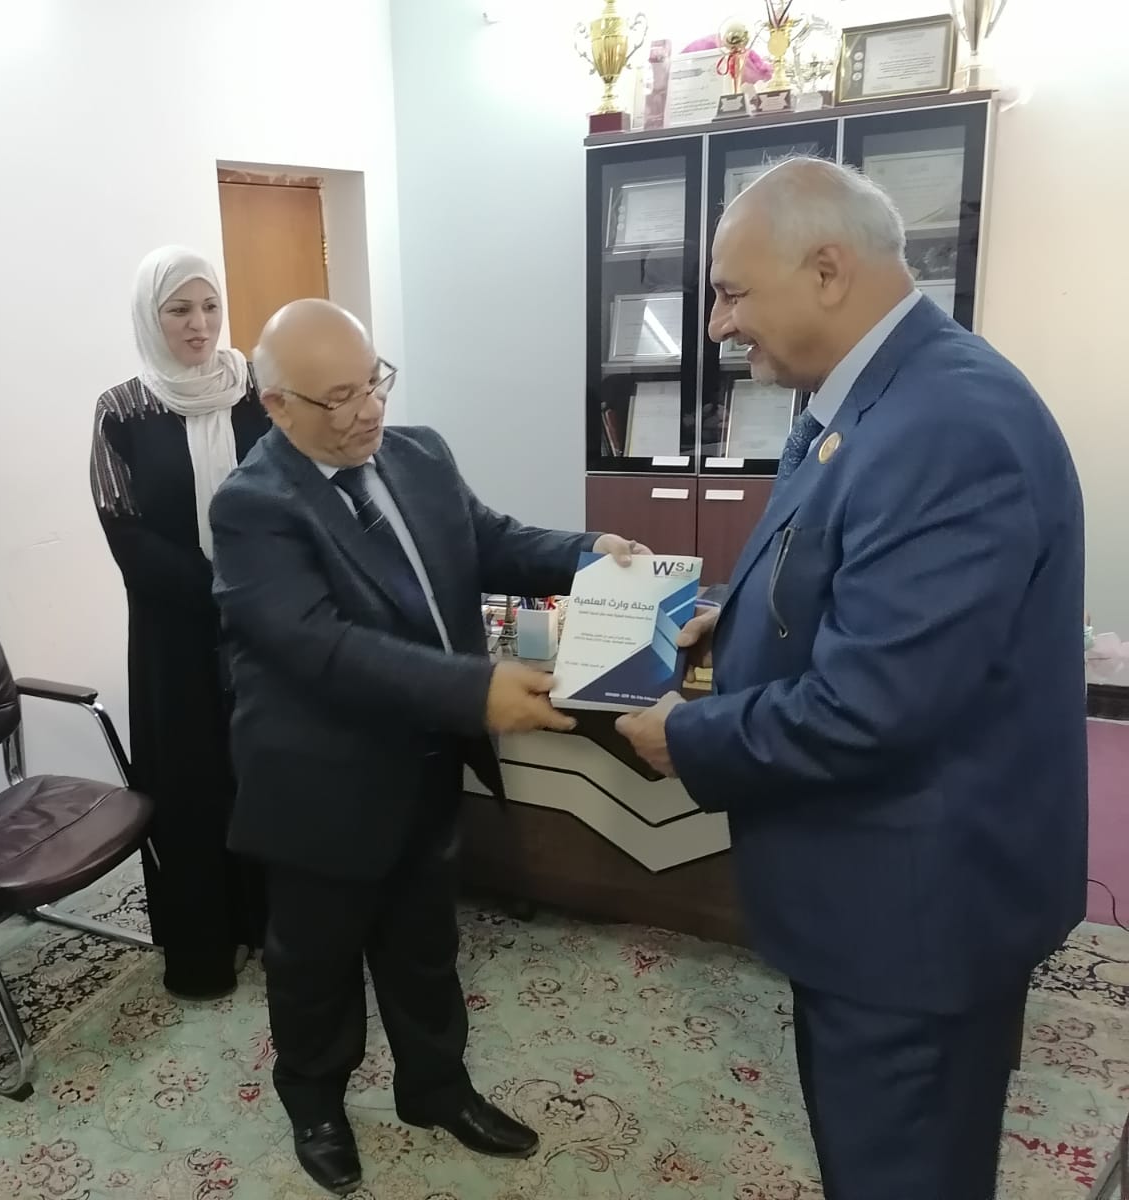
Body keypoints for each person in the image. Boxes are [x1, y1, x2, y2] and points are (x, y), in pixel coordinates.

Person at [614, 158, 1087, 1200]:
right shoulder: (879, 392)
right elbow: (840, 567)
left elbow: (870, 707)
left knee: (899, 1170)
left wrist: (684, 739)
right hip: (878, 894)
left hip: (913, 915)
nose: (717, 327)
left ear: (826, 270)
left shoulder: (945, 426)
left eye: (732, 294)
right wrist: (732, 617)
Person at [210, 298, 646, 1196]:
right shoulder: (253, 507)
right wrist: (475, 690)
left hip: (425, 763)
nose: (367, 410)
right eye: (338, 398)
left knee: (425, 944)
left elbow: (490, 540)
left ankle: (436, 1090)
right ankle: (317, 1104)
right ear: (277, 406)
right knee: (316, 962)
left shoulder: (419, 453)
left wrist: (590, 552)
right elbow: (319, 645)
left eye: (373, 382)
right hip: (322, 782)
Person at [89, 246, 271, 999]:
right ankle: (203, 948)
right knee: (192, 784)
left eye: (209, 307)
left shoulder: (257, 390)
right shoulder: (123, 411)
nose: (199, 325)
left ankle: (274, 927)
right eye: (179, 310)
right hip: (175, 633)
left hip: (266, 623)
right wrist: (219, 589)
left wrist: (261, 589)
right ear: (149, 316)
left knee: (267, 773)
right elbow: (124, 530)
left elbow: (294, 495)